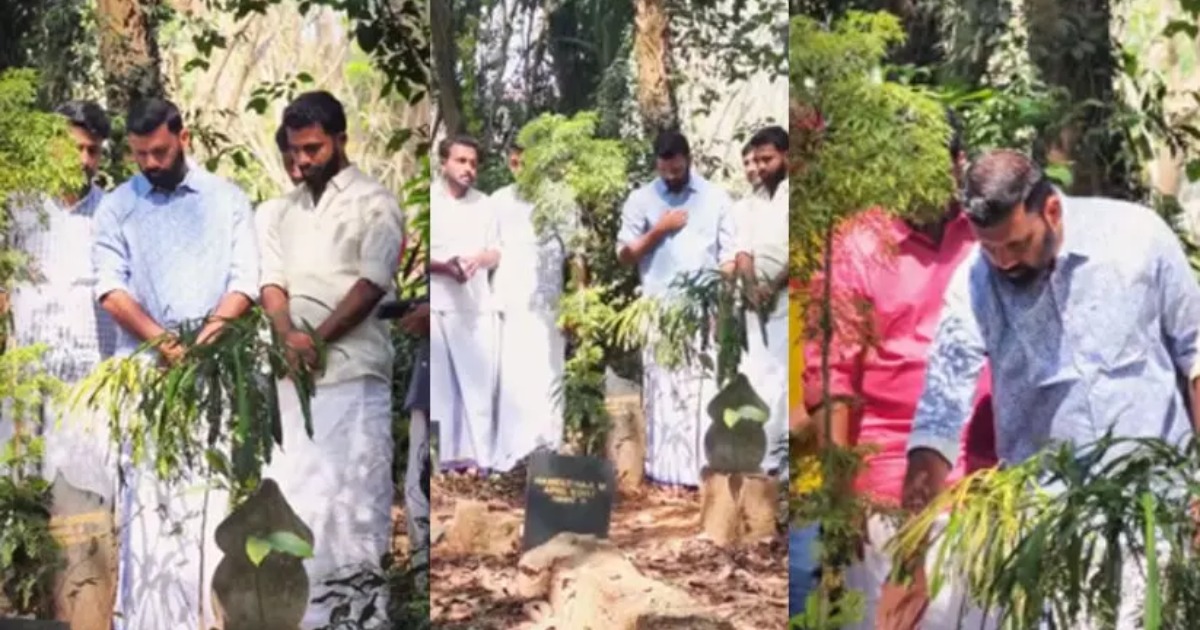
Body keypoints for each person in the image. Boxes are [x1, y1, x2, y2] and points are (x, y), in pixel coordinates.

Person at [891, 148, 1200, 629]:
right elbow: (939, 417)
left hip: (1158, 518)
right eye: (990, 248)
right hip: (1048, 541)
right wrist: (908, 561)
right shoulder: (973, 284)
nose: (1003, 262)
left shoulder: (1137, 239)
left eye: (1017, 244)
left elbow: (1196, 355)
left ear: (1052, 210)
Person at [806, 111, 998, 629]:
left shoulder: (989, 237)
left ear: (958, 163)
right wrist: (840, 505)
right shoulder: (856, 247)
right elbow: (832, 381)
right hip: (888, 491)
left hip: (987, 486)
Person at [92, 98, 259, 630]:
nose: (150, 163)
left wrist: (201, 348)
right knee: (146, 504)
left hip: (212, 374)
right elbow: (111, 289)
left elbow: (244, 282)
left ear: (183, 137)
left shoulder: (227, 201)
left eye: (160, 152)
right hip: (144, 375)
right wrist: (167, 346)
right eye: (140, 154)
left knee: (206, 499)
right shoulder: (117, 206)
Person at [257, 90, 404, 627]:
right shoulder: (280, 211)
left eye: (313, 149)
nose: (302, 160)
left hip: (352, 376)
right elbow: (271, 282)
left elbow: (371, 284)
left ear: (341, 140)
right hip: (292, 382)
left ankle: (356, 621)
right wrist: (287, 337)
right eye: (295, 150)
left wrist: (315, 340)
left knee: (352, 509)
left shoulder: (374, 202)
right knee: (293, 504)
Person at [4, 100, 118, 630]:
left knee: (82, 529)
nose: (83, 160)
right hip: (23, 396)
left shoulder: (112, 215)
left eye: (92, 150)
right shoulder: (16, 210)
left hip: (87, 398)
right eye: (75, 148)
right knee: (19, 526)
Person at [616, 130, 737, 487]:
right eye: (665, 171)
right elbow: (624, 255)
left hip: (704, 312)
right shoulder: (640, 200)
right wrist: (659, 230)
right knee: (663, 389)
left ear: (689, 160)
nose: (671, 176)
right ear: (656, 164)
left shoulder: (715, 198)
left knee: (701, 390)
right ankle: (664, 472)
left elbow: (728, 256)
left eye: (678, 170)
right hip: (658, 311)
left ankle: (702, 471)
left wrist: (723, 305)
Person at [490, 143, 576, 471]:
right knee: (513, 376)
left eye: (526, 162)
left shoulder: (561, 199)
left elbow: (575, 254)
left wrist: (575, 304)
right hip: (510, 300)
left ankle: (548, 447)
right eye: (514, 163)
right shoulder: (498, 201)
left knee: (548, 371)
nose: (520, 169)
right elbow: (490, 250)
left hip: (548, 301)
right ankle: (511, 452)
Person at [429, 135, 502, 472]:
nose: (468, 168)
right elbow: (414, 256)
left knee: (478, 387)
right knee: (441, 389)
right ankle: (445, 461)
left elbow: (496, 251)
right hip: (436, 305)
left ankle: (481, 461)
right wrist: (445, 267)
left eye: (473, 163)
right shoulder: (429, 200)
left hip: (475, 307)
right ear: (444, 162)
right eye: (461, 161)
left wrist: (476, 260)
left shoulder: (485, 204)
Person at [734, 125, 790, 475]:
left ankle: (779, 466)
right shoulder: (752, 203)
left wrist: (775, 285)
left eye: (767, 159)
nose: (761, 167)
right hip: (754, 305)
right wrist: (752, 286)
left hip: (787, 300)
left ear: (786, 156)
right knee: (755, 377)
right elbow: (743, 250)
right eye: (756, 160)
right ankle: (757, 458)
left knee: (782, 380)